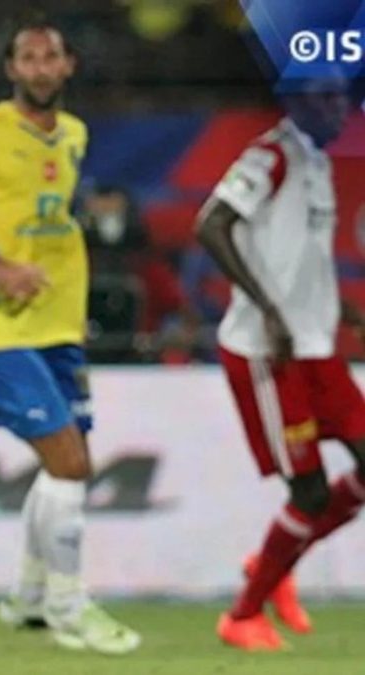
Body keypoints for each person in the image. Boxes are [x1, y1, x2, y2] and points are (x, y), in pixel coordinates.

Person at [0, 15, 140, 654]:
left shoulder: (73, 135)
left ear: (68, 66)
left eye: (50, 57)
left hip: (58, 323)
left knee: (66, 464)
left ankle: (31, 597)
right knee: (69, 462)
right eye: (29, 58)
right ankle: (68, 606)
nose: (41, 67)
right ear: (12, 69)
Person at [196, 76, 365, 651]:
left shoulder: (317, 161)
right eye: (323, 97)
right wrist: (266, 309)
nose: (337, 108)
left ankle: (275, 563)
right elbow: (210, 223)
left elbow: (297, 256)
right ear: (294, 102)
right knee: (310, 492)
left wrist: (339, 309)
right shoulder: (270, 155)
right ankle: (243, 615)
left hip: (316, 345)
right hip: (269, 353)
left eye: (341, 98)